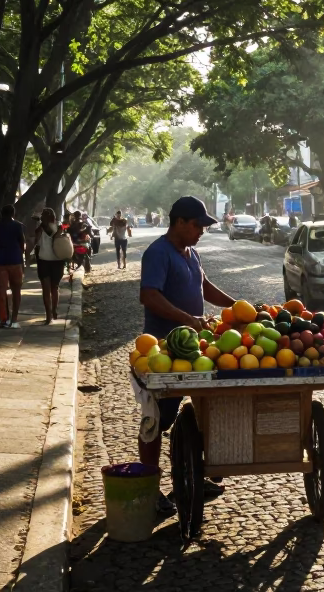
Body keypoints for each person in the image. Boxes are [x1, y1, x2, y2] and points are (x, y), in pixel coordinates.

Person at [138, 196, 236, 514]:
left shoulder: (191, 253)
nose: (201, 232)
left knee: (207, 409)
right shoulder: (158, 253)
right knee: (158, 419)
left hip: (197, 349)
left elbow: (204, 286)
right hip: (165, 352)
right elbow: (148, 295)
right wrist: (186, 319)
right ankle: (150, 488)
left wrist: (236, 306)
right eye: (197, 225)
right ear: (179, 222)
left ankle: (197, 474)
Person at [0, 204, 28, 328]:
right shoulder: (18, 226)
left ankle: (4, 318)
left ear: (1, 213)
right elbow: (22, 244)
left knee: (1, 291)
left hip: (0, 262)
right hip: (15, 261)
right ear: (13, 213)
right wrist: (22, 257)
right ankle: (14, 319)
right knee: (16, 290)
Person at [35, 207, 69, 322]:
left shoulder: (41, 229)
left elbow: (36, 243)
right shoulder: (58, 227)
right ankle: (52, 312)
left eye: (43, 215)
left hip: (46, 261)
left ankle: (50, 314)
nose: (42, 217)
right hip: (55, 261)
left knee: (48, 289)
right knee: (53, 288)